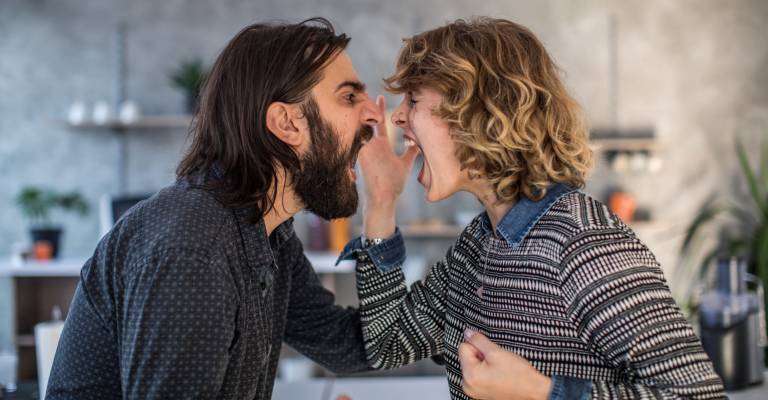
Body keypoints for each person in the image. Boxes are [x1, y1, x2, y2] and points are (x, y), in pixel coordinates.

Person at [341, 17, 726, 399]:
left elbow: (698, 396)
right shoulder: (477, 245)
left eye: (413, 100)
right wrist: (382, 200)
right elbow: (387, 342)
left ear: (480, 114)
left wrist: (544, 393)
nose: (398, 116)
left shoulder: (586, 245)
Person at [47, 18, 381, 399]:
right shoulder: (195, 249)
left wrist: (384, 205)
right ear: (286, 123)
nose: (374, 113)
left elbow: (351, 344)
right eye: (349, 97)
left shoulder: (268, 232)